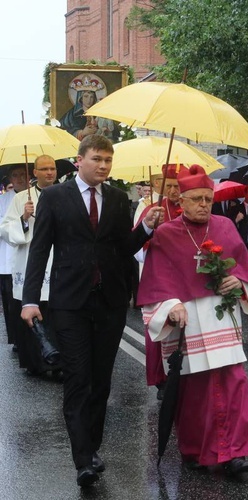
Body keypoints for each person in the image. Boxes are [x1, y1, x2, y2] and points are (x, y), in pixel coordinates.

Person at [21, 135, 161, 487]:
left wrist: (145, 228)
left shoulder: (115, 198)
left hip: (110, 302)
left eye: (108, 161)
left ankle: (92, 448)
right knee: (78, 380)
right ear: (79, 161)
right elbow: (39, 250)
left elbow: (123, 247)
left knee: (101, 382)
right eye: (97, 159)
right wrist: (30, 300)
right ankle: (82, 459)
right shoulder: (54, 197)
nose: (103, 166)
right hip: (69, 303)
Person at [139, 164, 248, 475]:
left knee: (233, 382)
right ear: (181, 201)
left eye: (208, 199)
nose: (204, 205)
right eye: (196, 199)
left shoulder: (224, 227)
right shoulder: (166, 234)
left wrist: (239, 281)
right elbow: (156, 282)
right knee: (194, 389)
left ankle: (235, 452)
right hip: (189, 321)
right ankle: (195, 450)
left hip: (221, 316)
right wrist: (170, 306)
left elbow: (245, 268)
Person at [0, 156, 58, 375]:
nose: (49, 172)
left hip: (56, 259)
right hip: (29, 260)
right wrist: (24, 218)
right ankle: (35, 363)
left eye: (52, 168)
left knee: (55, 313)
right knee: (32, 312)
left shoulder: (65, 194)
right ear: (35, 172)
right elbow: (6, 230)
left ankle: (56, 360)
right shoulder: (22, 198)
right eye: (44, 169)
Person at [136, 165, 183, 396]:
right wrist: (152, 231)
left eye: (177, 186)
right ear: (161, 186)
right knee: (158, 326)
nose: (174, 191)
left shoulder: (187, 208)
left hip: (183, 277)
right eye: (170, 186)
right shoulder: (151, 209)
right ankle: (161, 379)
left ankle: (184, 375)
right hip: (158, 275)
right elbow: (135, 246)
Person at [0, 165, 28, 348]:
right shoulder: (3, 201)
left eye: (22, 174)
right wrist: (20, 221)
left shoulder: (36, 197)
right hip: (7, 260)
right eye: (15, 175)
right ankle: (16, 338)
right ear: (10, 178)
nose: (18, 178)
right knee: (11, 303)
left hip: (30, 258)